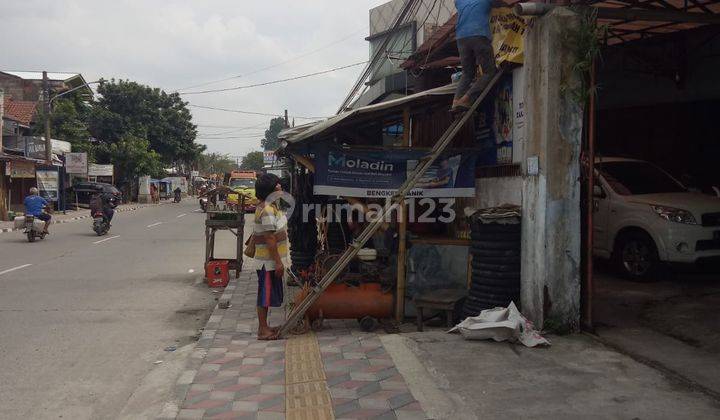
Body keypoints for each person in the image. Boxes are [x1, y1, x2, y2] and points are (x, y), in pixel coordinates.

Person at [252, 173, 289, 340]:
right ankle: (262, 329)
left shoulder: (271, 207)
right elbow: (270, 238)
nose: (280, 187)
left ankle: (265, 326)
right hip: (268, 262)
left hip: (270, 261)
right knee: (264, 295)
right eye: (277, 185)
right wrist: (278, 262)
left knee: (266, 293)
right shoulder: (267, 210)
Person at [451, 0, 498, 112]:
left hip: (461, 38)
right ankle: (466, 99)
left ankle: (456, 101)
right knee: (489, 72)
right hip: (479, 34)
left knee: (467, 73)